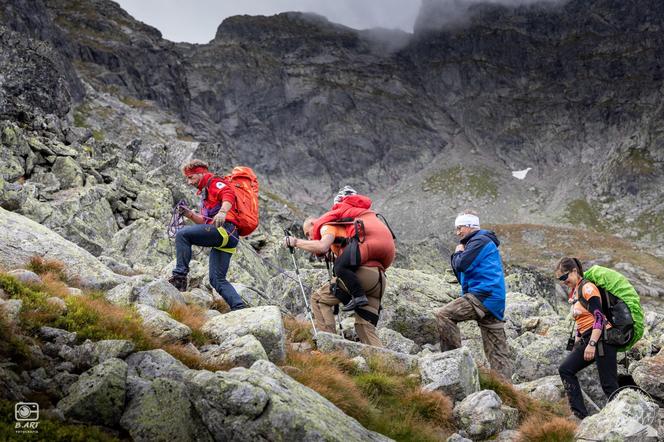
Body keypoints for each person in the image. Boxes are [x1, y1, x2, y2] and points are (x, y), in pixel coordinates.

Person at [284, 207, 395, 346]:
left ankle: (330, 347)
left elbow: (322, 246)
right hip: (378, 280)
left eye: (308, 233)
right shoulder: (348, 230)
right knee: (364, 328)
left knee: (318, 299)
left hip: (361, 275)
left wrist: (296, 242)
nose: (309, 237)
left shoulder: (327, 226)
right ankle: (386, 363)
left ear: (314, 224)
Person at [434, 210, 513, 380]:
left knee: (444, 315)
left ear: (470, 226)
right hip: (493, 299)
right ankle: (507, 392)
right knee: (497, 351)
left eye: (460, 227)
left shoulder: (479, 241)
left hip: (482, 296)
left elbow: (461, 264)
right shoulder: (482, 242)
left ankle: (454, 364)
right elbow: (462, 271)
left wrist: (457, 253)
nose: (457, 232)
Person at [168, 159, 246, 311]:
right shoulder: (206, 193)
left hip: (225, 230)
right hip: (228, 238)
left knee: (182, 235)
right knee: (217, 279)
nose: (188, 182)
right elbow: (206, 221)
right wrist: (189, 214)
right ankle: (239, 308)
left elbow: (228, 193)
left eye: (191, 177)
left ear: (201, 173)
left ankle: (179, 278)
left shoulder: (215, 182)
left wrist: (223, 212)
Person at [556, 257, 619, 420]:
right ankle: (580, 416)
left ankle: (624, 418)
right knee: (565, 369)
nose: (563, 281)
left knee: (609, 385)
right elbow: (583, 317)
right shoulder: (576, 291)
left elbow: (599, 317)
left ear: (574, 272)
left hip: (602, 339)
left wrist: (591, 344)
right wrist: (578, 338)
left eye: (564, 277)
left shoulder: (588, 288)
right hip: (588, 337)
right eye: (560, 279)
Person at [311, 186, 372, 311]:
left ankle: (352, 299)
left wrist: (315, 244)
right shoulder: (366, 216)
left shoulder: (338, 217)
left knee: (318, 299)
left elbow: (320, 232)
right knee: (366, 320)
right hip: (374, 266)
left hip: (355, 265)